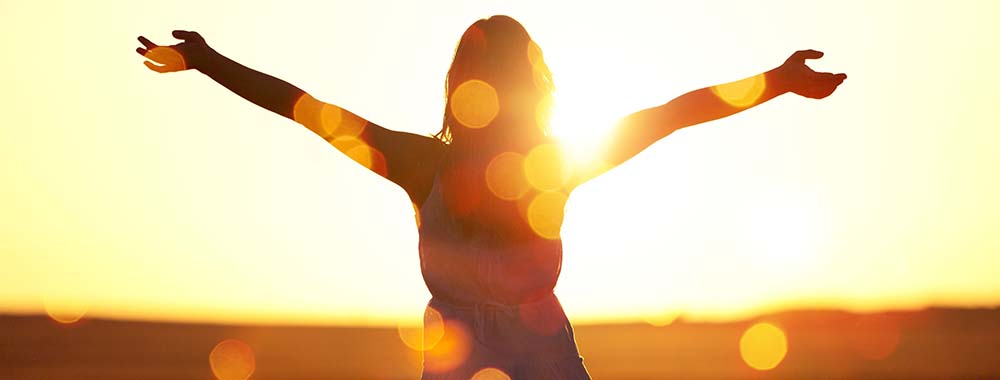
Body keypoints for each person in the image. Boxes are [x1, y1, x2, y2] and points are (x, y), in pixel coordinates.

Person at [136, 15, 845, 379]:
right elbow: (304, 108)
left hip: (548, 364)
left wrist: (777, 80)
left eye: (494, 71)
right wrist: (207, 60)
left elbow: (670, 114)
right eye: (473, 69)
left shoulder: (554, 164)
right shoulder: (419, 163)